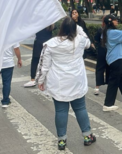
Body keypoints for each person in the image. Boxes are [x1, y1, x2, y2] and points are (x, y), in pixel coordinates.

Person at [36, 17, 96, 150]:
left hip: (59, 82)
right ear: (75, 29)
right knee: (80, 108)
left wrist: (40, 81)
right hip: (77, 81)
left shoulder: (50, 44)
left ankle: (62, 140)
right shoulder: (80, 40)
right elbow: (87, 40)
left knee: (61, 110)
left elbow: (44, 65)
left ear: (61, 28)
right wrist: (78, 27)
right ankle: (87, 136)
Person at [93, 17, 110, 95]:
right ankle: (110, 86)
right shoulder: (112, 31)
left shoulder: (100, 30)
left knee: (100, 69)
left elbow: (96, 39)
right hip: (110, 51)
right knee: (110, 69)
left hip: (101, 51)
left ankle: (97, 87)